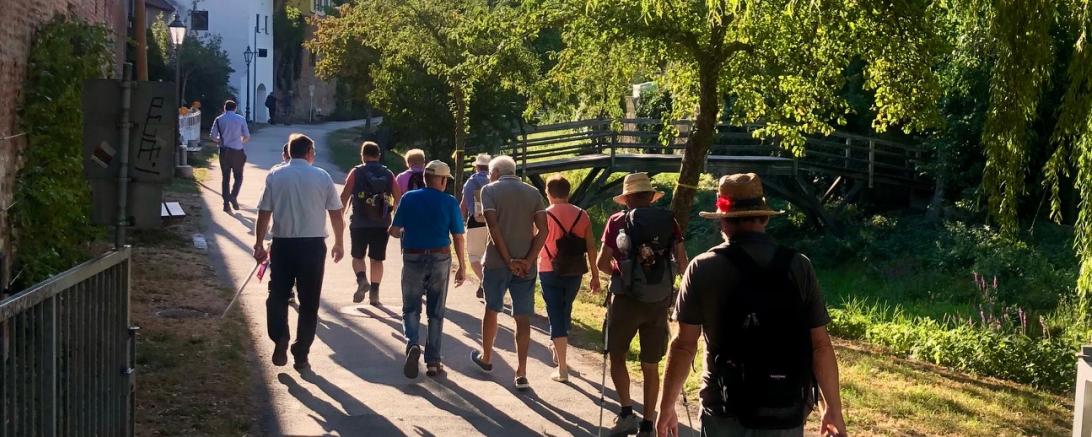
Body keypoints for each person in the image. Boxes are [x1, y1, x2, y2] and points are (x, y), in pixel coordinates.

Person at [657, 173, 846, 437]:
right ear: (765, 217)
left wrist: (666, 407)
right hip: (786, 408)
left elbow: (683, 345)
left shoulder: (702, 267)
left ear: (723, 220)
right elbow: (821, 345)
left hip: (725, 410)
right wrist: (833, 409)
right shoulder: (798, 266)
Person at [597, 172, 688, 437]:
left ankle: (626, 413)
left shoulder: (616, 221)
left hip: (625, 299)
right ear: (650, 196)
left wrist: (621, 269)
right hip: (658, 301)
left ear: (626, 199)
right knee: (651, 363)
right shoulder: (669, 222)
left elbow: (603, 263)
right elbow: (682, 261)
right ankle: (648, 425)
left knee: (617, 354)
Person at [253, 133, 345, 372]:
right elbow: (336, 212)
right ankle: (301, 352)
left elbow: (264, 212)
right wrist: (339, 242)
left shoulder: (275, 175)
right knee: (309, 302)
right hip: (313, 246)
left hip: (283, 244)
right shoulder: (322, 176)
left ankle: (280, 338)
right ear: (309, 153)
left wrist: (259, 243)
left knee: (278, 295)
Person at [469, 155, 548, 390]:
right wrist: (527, 260)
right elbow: (543, 230)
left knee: (491, 308)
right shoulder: (533, 193)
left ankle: (487, 357)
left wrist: (508, 260)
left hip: (496, 262)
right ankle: (521, 371)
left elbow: (493, 227)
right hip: (526, 265)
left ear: (494, 173)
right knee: (522, 317)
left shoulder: (489, 190)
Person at [389, 160, 467, 379]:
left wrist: (400, 230)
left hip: (413, 255)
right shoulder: (449, 201)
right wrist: (461, 266)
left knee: (410, 308)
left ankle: (412, 344)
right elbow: (458, 237)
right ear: (441, 180)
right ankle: (433, 361)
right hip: (440, 257)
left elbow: (395, 231)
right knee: (436, 311)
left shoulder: (408, 198)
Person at [538, 175, 600, 383]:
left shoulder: (543, 214)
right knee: (565, 309)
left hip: (548, 269)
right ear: (568, 192)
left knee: (554, 312)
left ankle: (562, 368)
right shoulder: (582, 215)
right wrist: (595, 275)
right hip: (574, 270)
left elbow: (534, 241)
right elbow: (591, 247)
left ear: (548, 193)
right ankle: (558, 347)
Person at [341, 141, 401, 305]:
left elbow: (345, 196)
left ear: (363, 155)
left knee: (357, 256)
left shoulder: (356, 172)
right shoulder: (388, 174)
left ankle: (362, 280)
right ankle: (375, 294)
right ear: (379, 156)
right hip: (382, 224)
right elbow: (399, 198)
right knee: (377, 259)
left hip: (359, 223)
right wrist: (398, 220)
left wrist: (340, 217)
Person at [210, 100, 251, 213]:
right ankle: (233, 195)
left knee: (225, 178)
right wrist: (240, 142)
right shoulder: (241, 119)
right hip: (237, 151)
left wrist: (220, 141)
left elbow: (212, 136)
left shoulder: (219, 119)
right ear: (235, 108)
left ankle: (226, 204)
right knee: (238, 177)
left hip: (224, 152)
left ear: (225, 108)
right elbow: (247, 136)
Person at [461, 153, 492, 299]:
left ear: (477, 167)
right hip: (495, 223)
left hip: (476, 223)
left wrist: (459, 223)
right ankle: (487, 284)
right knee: (490, 256)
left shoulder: (471, 182)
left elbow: (464, 205)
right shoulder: (495, 180)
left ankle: (485, 283)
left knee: (474, 256)